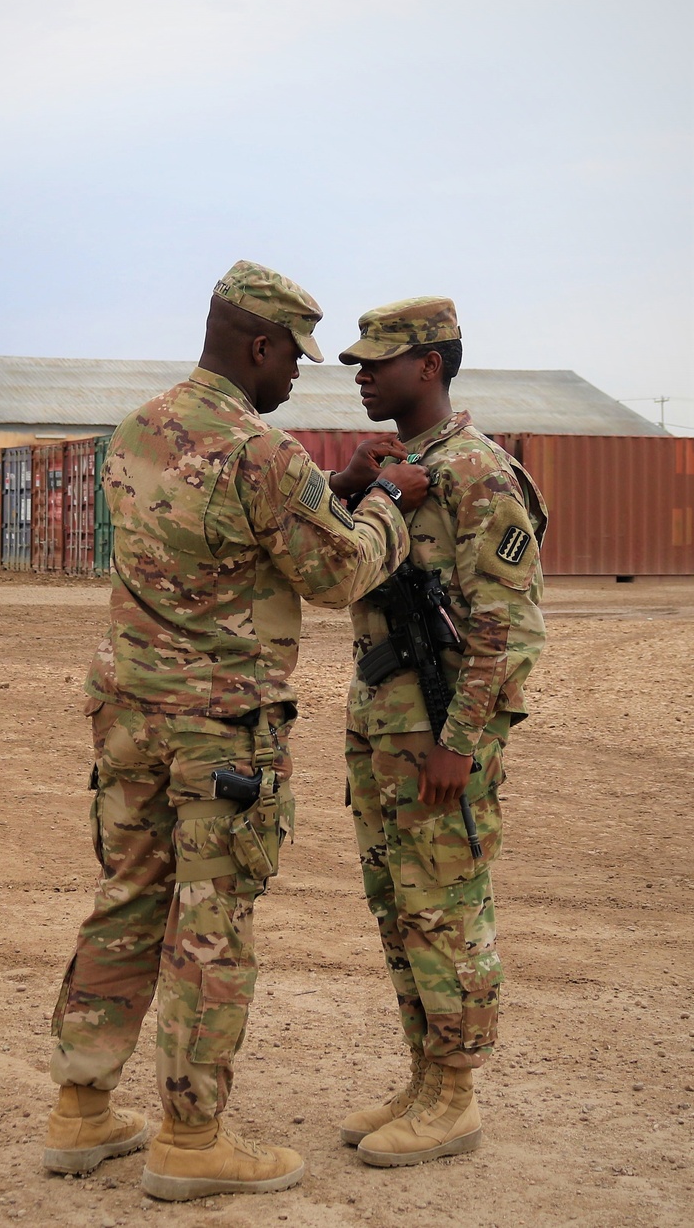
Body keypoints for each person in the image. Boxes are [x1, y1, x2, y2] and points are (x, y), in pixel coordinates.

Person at [44, 261, 430, 1201]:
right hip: (219, 731)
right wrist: (388, 504)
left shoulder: (137, 429)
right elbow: (335, 574)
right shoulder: (262, 452)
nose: (298, 375)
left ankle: (80, 1110)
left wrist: (331, 485)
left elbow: (214, 540)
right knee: (212, 921)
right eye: (292, 356)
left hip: (129, 710)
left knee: (129, 893)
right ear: (256, 345)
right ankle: (190, 1134)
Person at [335, 297, 547, 1165]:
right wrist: (356, 488)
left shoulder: (477, 472)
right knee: (399, 905)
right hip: (385, 723)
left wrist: (463, 741)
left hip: (440, 737)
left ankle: (455, 1092)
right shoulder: (398, 467)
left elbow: (508, 626)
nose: (361, 374)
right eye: (357, 361)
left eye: (377, 361)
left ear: (430, 365)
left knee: (446, 907)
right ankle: (425, 1073)